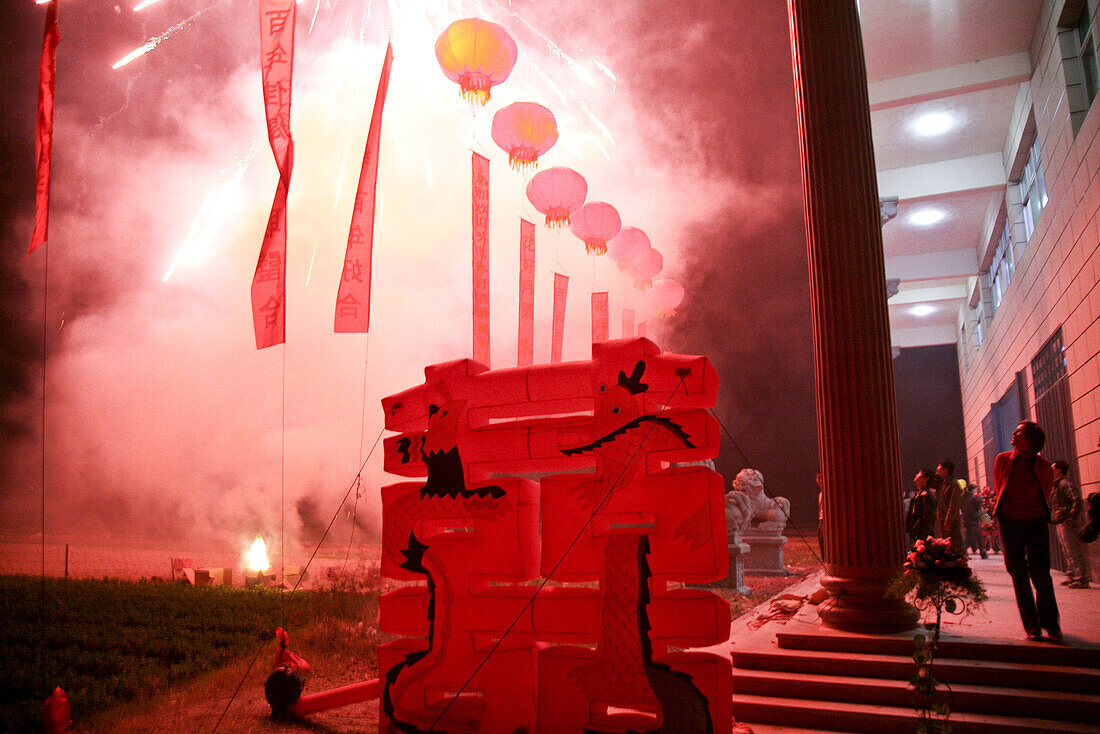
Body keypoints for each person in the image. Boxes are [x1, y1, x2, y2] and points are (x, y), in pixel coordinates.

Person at [991, 421, 1060, 642]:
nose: (1014, 433)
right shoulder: (1002, 459)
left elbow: (1046, 491)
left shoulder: (1043, 466)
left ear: (1031, 439)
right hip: (1009, 521)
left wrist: (1031, 510)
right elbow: (999, 485)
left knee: (1040, 573)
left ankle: (1050, 622)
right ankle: (1032, 626)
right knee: (1017, 572)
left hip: (1036, 521)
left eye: (1019, 432)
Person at [1051, 460, 1091, 589]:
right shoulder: (1057, 484)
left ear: (1059, 470)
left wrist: (1071, 516)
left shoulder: (1064, 484)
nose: (1051, 471)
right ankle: (1073, 576)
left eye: (1053, 468)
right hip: (1061, 520)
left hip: (1066, 521)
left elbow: (1076, 499)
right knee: (1067, 550)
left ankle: (1080, 578)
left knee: (1072, 550)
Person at [935, 459, 966, 553]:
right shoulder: (943, 484)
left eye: (939, 466)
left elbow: (953, 504)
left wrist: (948, 521)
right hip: (943, 521)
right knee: (945, 548)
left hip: (951, 523)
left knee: (954, 548)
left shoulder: (954, 484)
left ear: (946, 469)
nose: (937, 468)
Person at [905, 469, 938, 547]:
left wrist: (917, 529)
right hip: (917, 532)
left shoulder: (926, 495)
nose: (916, 474)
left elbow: (928, 517)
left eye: (919, 473)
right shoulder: (919, 494)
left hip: (922, 534)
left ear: (926, 478)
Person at [962, 484, 989, 559]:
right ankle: (983, 553)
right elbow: (978, 507)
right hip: (974, 520)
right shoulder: (973, 498)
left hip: (967, 519)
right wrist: (979, 498)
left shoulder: (963, 498)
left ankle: (965, 551)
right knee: (977, 537)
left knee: (970, 536)